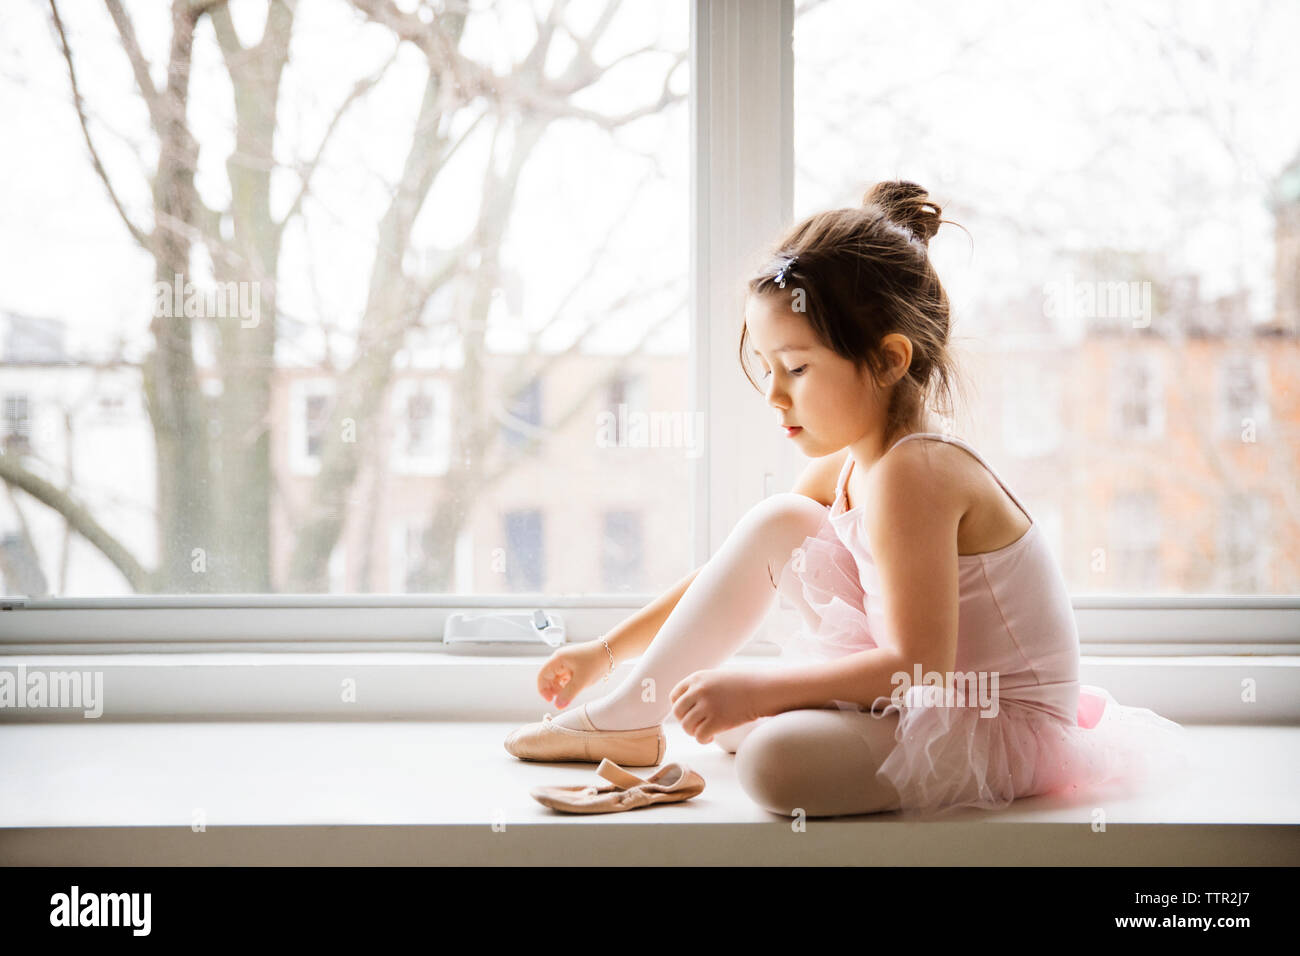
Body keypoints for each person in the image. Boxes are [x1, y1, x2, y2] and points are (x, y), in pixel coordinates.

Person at [504, 180, 1194, 818]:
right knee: (782, 524)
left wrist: (757, 690)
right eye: (768, 369)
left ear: (891, 360)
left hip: (992, 720)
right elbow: (724, 574)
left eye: (797, 369)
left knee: (771, 759)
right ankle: (631, 711)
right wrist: (607, 652)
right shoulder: (856, 463)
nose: (774, 395)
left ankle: (686, 716)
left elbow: (918, 665)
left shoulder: (915, 474)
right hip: (920, 689)